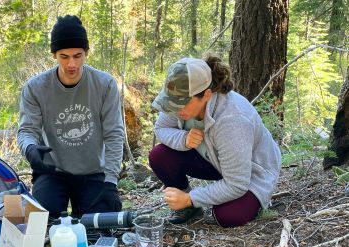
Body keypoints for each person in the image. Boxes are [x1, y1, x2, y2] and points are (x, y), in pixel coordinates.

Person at [149, 53, 281, 227]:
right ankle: (189, 209)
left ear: (206, 95)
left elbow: (237, 184)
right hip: (214, 160)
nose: (176, 109)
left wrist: (190, 199)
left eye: (182, 103)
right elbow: (161, 128)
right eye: (173, 102)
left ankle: (253, 204)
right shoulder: (178, 95)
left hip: (250, 173)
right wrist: (184, 139)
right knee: (159, 155)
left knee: (227, 216)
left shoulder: (232, 120)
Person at [17, 15, 124, 219]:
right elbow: (26, 130)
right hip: (53, 170)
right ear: (54, 55)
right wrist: (30, 149)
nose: (71, 64)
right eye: (64, 56)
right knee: (41, 222)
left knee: (99, 227)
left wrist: (110, 181)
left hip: (94, 172)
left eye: (78, 55)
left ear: (86, 53)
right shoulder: (35, 88)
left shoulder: (105, 85)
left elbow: (114, 134)